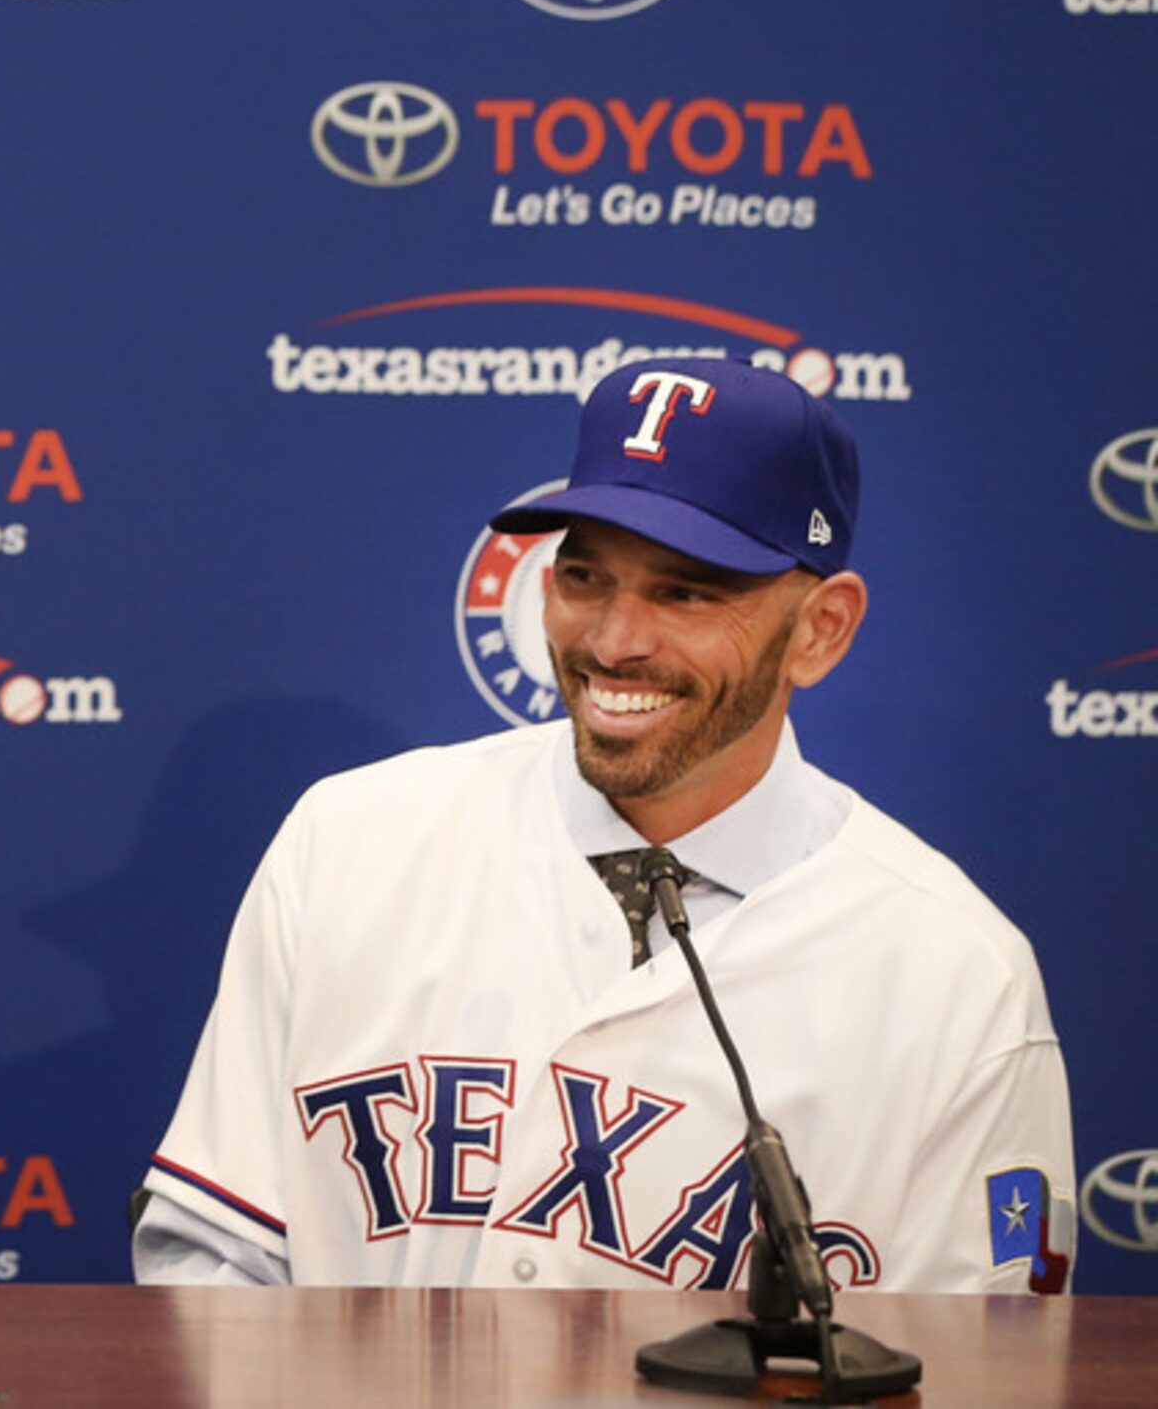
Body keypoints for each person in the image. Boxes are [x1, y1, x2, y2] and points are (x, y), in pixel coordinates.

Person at [135, 357, 1072, 1294]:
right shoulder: (350, 843)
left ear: (821, 629)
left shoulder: (956, 974)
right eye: (583, 576)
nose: (614, 640)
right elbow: (211, 1261)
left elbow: (992, 1372)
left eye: (687, 592)